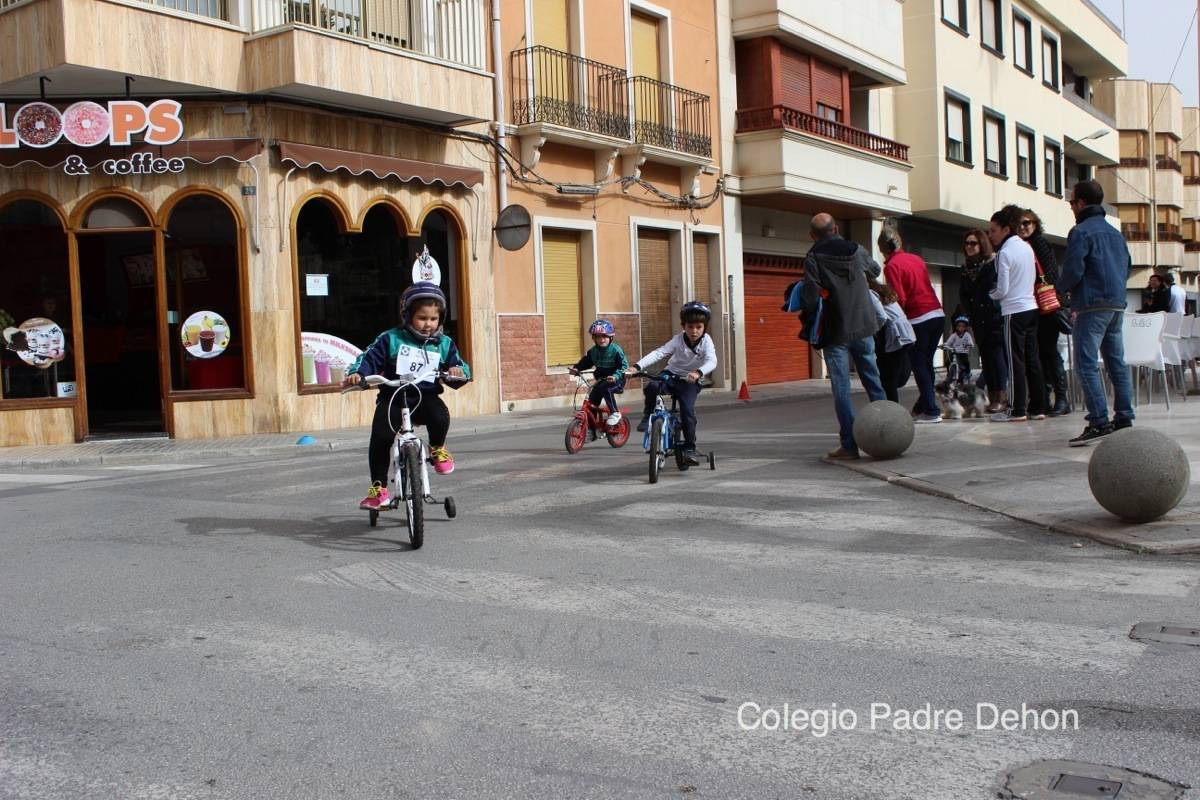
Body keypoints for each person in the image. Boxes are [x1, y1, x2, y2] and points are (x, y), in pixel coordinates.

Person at [343, 282, 471, 510]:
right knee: (381, 435)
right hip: (394, 396)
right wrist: (357, 374)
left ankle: (438, 448)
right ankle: (378, 489)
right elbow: (368, 358)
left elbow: (461, 367)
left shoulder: (444, 344)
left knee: (440, 416)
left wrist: (457, 372)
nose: (428, 324)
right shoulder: (390, 339)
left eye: (433, 319)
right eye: (422, 318)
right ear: (407, 315)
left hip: (425, 397)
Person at [1057, 179, 1134, 446]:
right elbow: (1127, 266)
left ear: (1081, 203)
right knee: (1117, 363)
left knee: (1086, 365)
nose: (1071, 208)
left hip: (1091, 304)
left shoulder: (1080, 232)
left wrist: (1060, 289)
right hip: (1116, 303)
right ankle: (1124, 418)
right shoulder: (1115, 233)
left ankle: (1099, 421)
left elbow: (1074, 269)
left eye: (1071, 203)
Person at [803, 213, 887, 459]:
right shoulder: (855, 249)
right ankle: (884, 433)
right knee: (873, 380)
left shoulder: (813, 257)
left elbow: (809, 297)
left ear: (812, 235)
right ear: (836, 228)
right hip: (863, 325)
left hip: (835, 330)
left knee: (841, 387)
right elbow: (875, 268)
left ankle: (849, 445)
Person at [628, 301, 717, 466]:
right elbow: (659, 353)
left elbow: (712, 361)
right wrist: (636, 367)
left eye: (698, 327)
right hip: (671, 375)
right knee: (652, 386)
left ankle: (690, 448)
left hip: (690, 381)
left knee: (687, 412)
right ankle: (648, 415)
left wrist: (698, 373)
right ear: (684, 326)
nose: (694, 331)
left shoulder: (707, 342)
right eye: (690, 327)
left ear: (705, 327)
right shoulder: (678, 340)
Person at [878, 228, 944, 423]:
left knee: (919, 365)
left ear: (883, 248)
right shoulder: (917, 259)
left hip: (918, 318)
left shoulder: (891, 266)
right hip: (937, 313)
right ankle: (924, 406)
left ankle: (931, 410)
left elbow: (899, 298)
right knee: (927, 364)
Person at [988, 204, 1046, 422]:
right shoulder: (1026, 247)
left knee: (1014, 361)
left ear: (1005, 229)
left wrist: (991, 294)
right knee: (1032, 358)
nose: (990, 235)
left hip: (1013, 310)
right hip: (1031, 307)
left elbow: (1002, 289)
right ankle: (1038, 407)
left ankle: (1017, 409)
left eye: (993, 230)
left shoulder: (1005, 252)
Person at [1019, 208, 1071, 417]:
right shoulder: (1022, 245)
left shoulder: (1038, 242)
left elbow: (1049, 272)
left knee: (1048, 353)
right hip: (1034, 306)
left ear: (1035, 224)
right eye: (1020, 224)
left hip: (1046, 306)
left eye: (1027, 223)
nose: (1023, 227)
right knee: (1039, 354)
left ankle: (1061, 398)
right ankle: (1046, 396)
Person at [958, 229, 1008, 412]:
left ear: (982, 244)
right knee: (986, 359)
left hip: (994, 317)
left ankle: (1001, 397)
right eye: (967, 243)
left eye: (973, 243)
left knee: (997, 358)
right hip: (978, 320)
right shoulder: (965, 269)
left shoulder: (992, 264)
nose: (970, 247)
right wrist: (968, 319)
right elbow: (963, 296)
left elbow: (996, 290)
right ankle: (993, 396)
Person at [568, 319, 628, 426]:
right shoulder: (593, 351)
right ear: (594, 338)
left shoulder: (616, 350)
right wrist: (577, 369)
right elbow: (586, 362)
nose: (601, 340)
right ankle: (591, 429)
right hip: (601, 380)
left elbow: (624, 367)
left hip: (617, 380)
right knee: (592, 400)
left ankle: (615, 413)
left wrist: (615, 376)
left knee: (607, 389)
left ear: (611, 337)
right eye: (598, 337)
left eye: (604, 336)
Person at [868, 279, 915, 403]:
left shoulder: (869, 294)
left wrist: (873, 330)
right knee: (892, 373)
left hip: (895, 335)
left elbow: (881, 316)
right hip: (905, 333)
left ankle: (892, 409)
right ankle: (892, 405)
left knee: (889, 379)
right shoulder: (883, 291)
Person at [944, 316, 974, 382]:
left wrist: (969, 344)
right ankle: (949, 375)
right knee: (947, 362)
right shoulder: (954, 335)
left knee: (966, 362)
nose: (961, 328)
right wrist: (945, 345)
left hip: (963, 353)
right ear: (956, 327)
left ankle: (968, 373)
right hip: (955, 352)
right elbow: (948, 342)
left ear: (966, 327)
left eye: (963, 326)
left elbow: (971, 343)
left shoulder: (967, 335)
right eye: (959, 326)